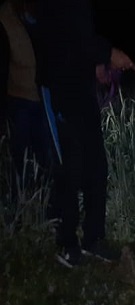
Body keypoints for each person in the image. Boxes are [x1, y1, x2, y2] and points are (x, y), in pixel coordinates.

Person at [34, 0, 135, 267]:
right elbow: (63, 36)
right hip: (58, 90)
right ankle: (66, 243)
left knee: (96, 165)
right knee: (68, 168)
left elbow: (80, 36)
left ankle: (94, 239)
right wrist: (108, 53)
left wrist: (96, 65)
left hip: (82, 89)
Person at [0, 0, 53, 203]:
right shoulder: (6, 15)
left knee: (45, 157)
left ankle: (45, 204)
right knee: (19, 158)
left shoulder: (43, 10)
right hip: (18, 97)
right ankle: (20, 205)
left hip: (44, 96)